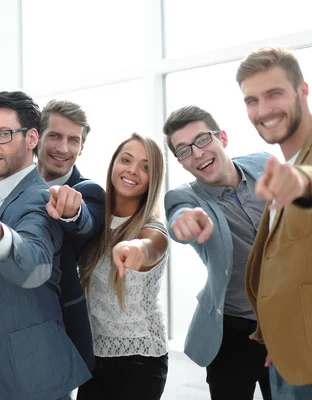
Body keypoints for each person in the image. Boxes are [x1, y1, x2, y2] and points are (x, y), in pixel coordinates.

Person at [0, 91, 90, 400]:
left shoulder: (38, 198)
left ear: (31, 138)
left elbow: (35, 266)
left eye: (3, 134)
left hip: (31, 367)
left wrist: (0, 238)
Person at [163, 105, 272, 399]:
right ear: (180, 162)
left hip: (287, 322)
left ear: (222, 137)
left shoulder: (265, 163)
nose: (197, 153)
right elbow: (178, 215)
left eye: (202, 140)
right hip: (233, 333)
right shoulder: (184, 197)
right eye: (184, 150)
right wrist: (184, 222)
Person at [237, 46, 312, 398]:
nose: (263, 110)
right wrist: (281, 335)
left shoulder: (297, 172)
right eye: (252, 100)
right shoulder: (280, 166)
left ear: (302, 91)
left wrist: (302, 183)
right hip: (288, 356)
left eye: (274, 94)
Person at [77, 133, 169, 400]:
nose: (132, 170)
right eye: (126, 160)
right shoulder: (94, 220)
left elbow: (151, 247)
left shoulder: (152, 229)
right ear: (113, 164)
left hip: (140, 362)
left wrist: (135, 249)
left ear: (154, 178)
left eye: (145, 166)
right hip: (94, 355)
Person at [37, 99, 106, 372]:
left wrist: (72, 212)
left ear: (82, 147)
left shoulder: (88, 191)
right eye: (54, 136)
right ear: (36, 137)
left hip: (54, 339)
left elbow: (86, 223)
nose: (63, 148)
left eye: (73, 140)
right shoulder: (8, 186)